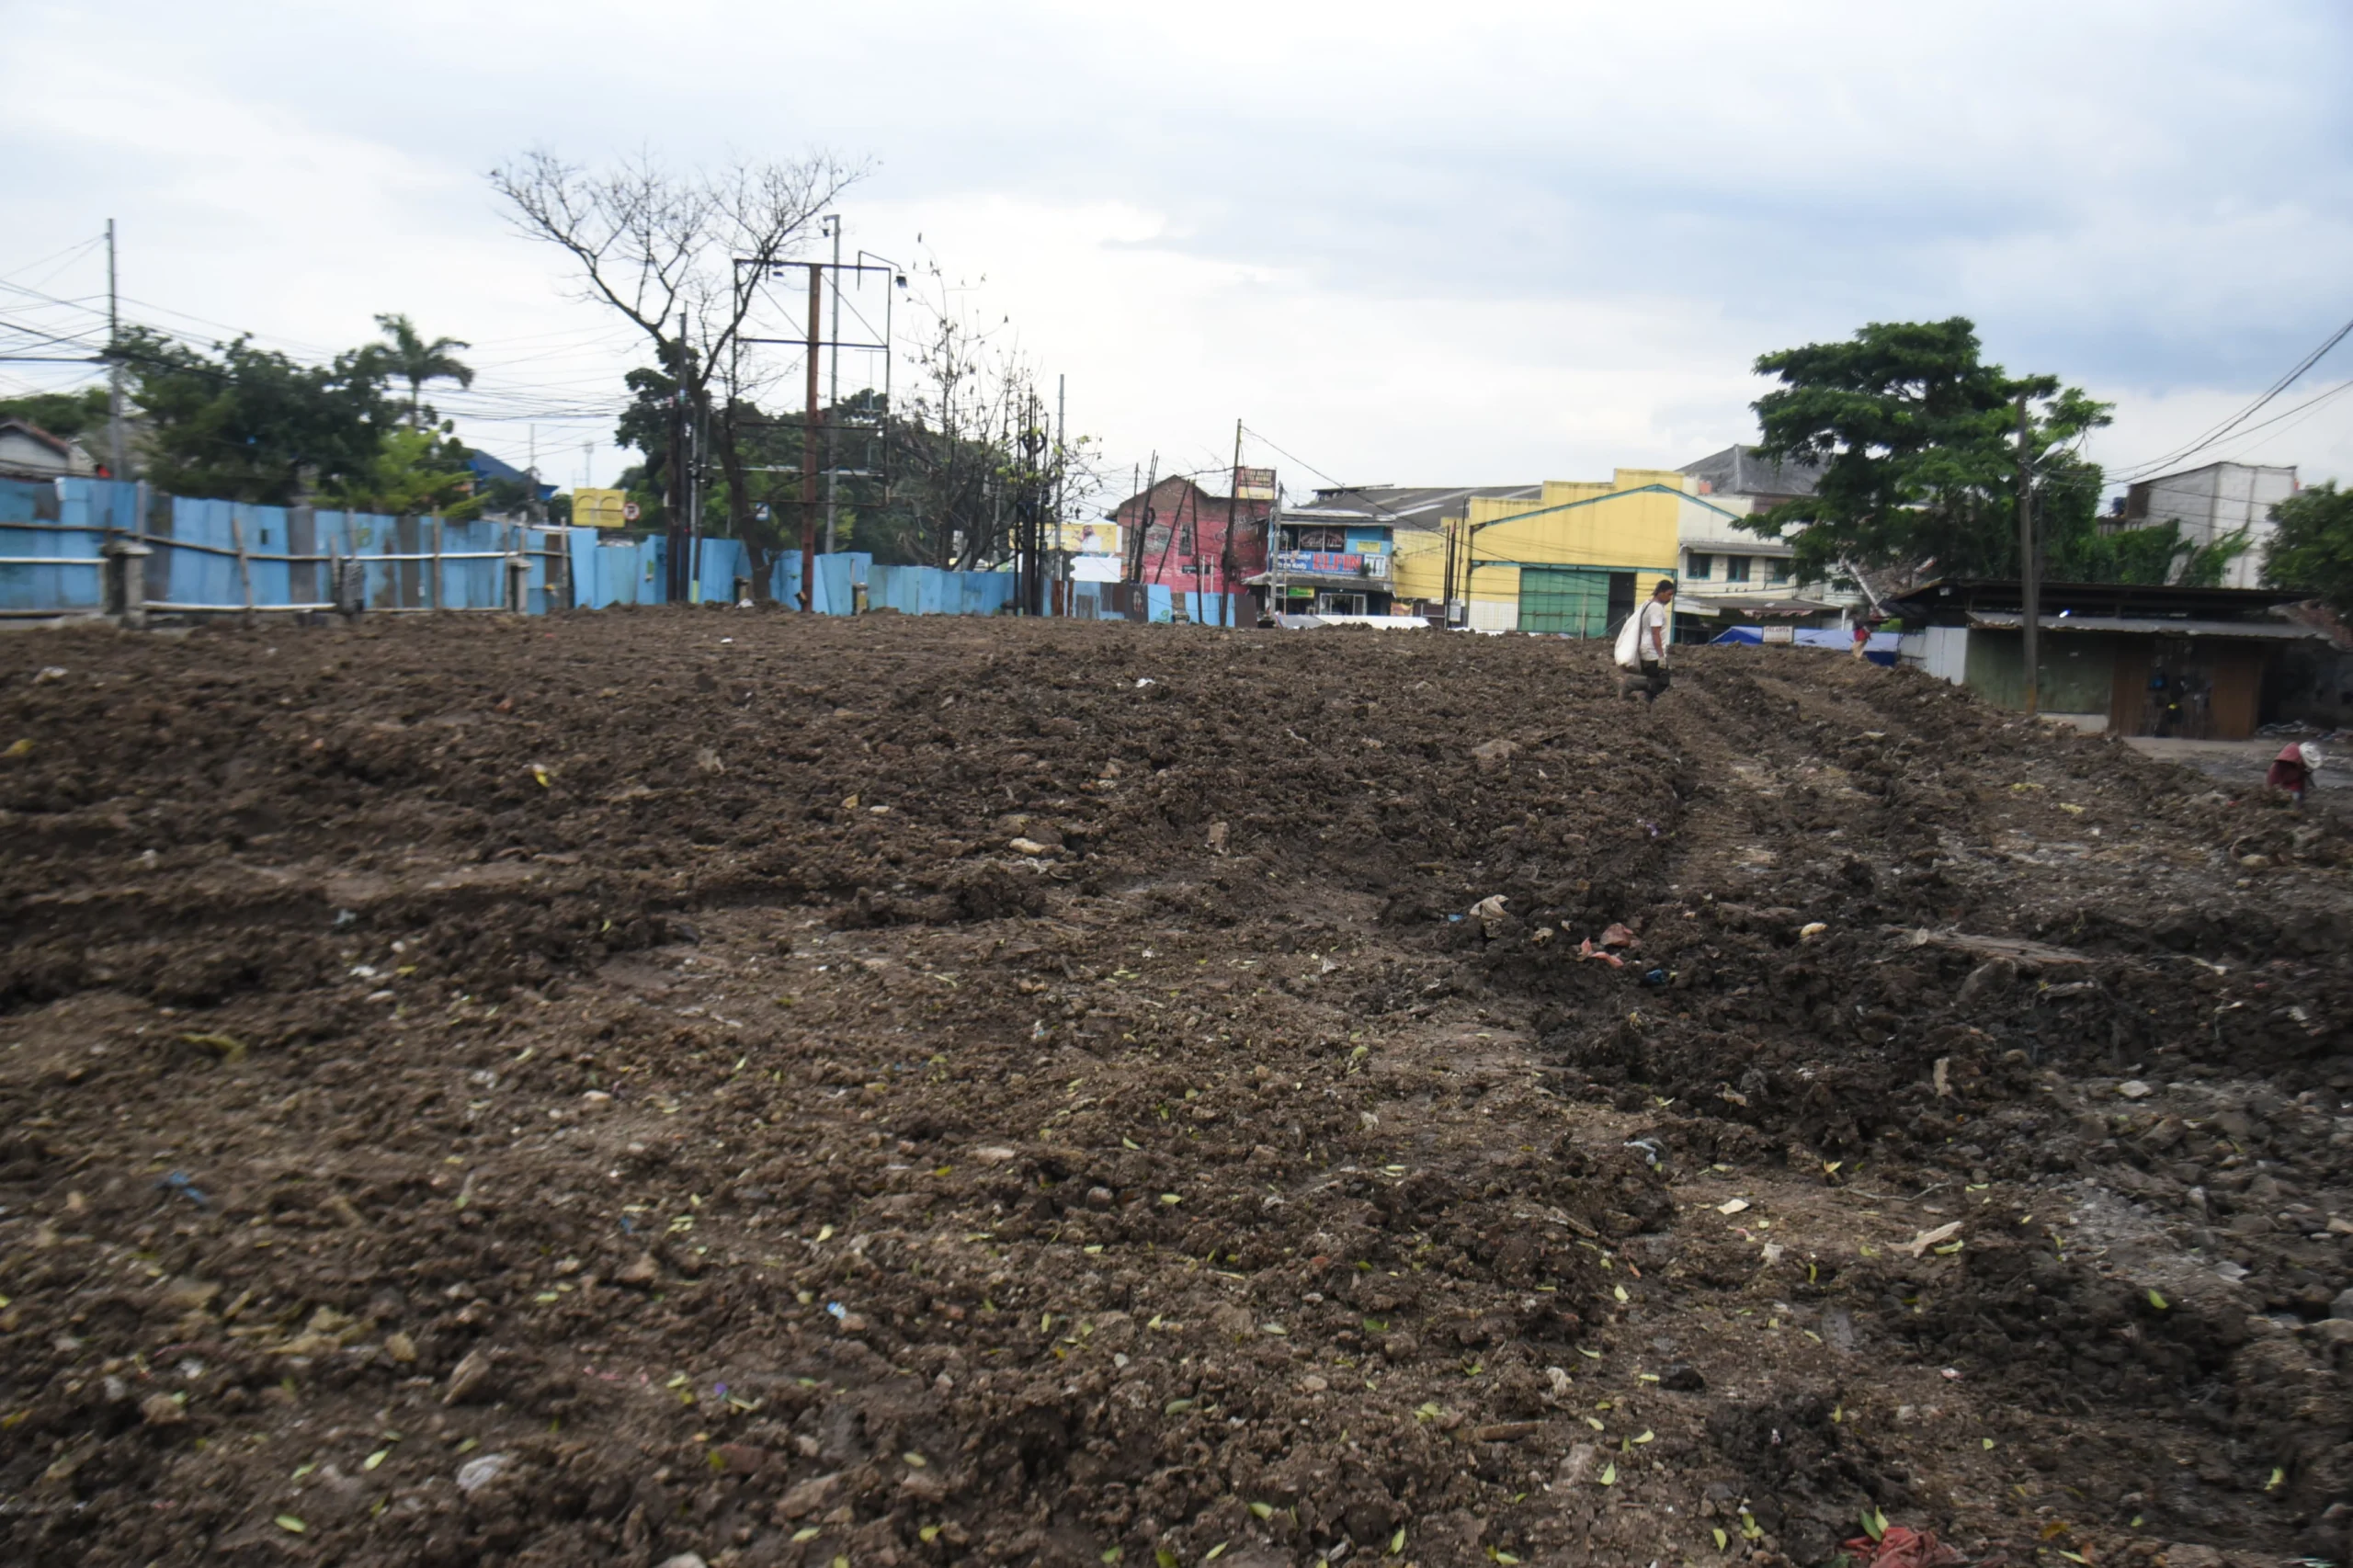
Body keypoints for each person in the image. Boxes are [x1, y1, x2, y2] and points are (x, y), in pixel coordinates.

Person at [1615, 578, 1676, 701]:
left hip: (1646, 650)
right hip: (1652, 653)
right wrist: (1661, 657)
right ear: (1661, 592)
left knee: (1651, 682)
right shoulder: (1656, 609)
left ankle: (1645, 704)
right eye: (1669, 594)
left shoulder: (1648, 604)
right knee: (1662, 681)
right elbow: (1655, 633)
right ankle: (1630, 683)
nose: (1670, 598)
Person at [2268, 742, 2324, 808]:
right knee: (2294, 797)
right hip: (2283, 785)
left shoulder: (2300, 766)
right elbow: (2273, 779)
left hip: (2294, 782)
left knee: (2298, 796)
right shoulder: (2284, 762)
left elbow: (2306, 778)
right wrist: (2274, 792)